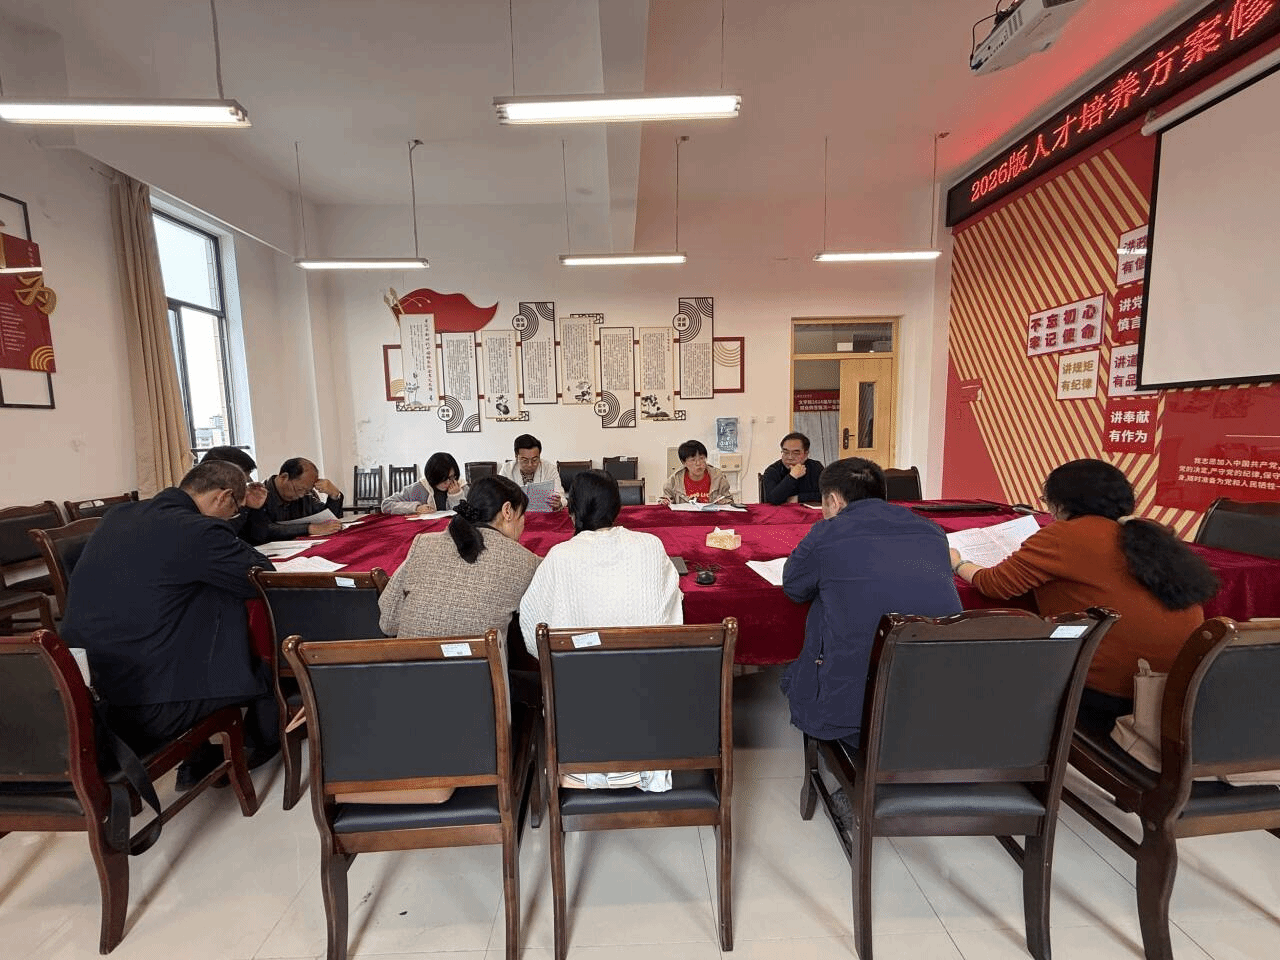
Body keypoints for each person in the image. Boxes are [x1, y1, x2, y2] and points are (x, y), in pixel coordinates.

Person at [952, 458, 1220, 735]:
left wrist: (958, 562)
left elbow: (995, 584)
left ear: (1061, 503)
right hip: (1178, 688)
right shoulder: (1151, 533)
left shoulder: (1065, 535)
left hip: (1111, 692)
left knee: (993, 664)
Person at [60, 461, 278, 784]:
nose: (232, 519)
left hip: (89, 693)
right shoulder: (196, 530)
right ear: (223, 497)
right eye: (235, 511)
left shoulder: (118, 516)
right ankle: (254, 746)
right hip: (147, 706)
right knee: (269, 669)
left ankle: (199, 758)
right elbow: (262, 576)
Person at [519, 470, 683, 792]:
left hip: (580, 704)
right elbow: (671, 617)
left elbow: (532, 627)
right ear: (618, 506)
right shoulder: (650, 546)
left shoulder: (560, 556)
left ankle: (587, 771)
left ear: (572, 508)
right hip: (645, 699)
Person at [781, 457, 962, 747]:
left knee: (823, 606)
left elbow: (794, 588)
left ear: (834, 501)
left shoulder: (827, 533)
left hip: (857, 706)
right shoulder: (932, 530)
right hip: (936, 695)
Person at [379, 475, 539, 643]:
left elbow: (388, 622)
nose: (523, 523)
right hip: (482, 660)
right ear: (507, 511)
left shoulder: (424, 543)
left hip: (408, 658)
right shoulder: (525, 561)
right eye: (522, 514)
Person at [259, 457, 344, 540]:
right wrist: (309, 529)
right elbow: (264, 530)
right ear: (284, 477)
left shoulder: (306, 494)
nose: (301, 495)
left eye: (307, 491)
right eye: (299, 489)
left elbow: (328, 520)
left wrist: (334, 495)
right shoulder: (259, 495)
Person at [200, 446, 267, 540]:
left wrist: (256, 508)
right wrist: (241, 505)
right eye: (241, 482)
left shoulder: (235, 502)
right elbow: (223, 538)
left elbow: (258, 538)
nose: (245, 487)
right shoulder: (193, 510)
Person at [380, 452, 469, 514]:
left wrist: (456, 496)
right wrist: (416, 508)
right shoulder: (419, 488)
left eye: (451, 477)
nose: (447, 482)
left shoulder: (462, 487)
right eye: (442, 479)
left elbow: (470, 515)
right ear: (432, 476)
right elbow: (386, 505)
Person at [499, 433, 565, 510]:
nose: (530, 464)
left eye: (535, 460)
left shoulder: (549, 469)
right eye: (525, 460)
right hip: (515, 513)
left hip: (542, 514)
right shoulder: (507, 469)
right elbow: (499, 497)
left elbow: (561, 496)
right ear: (516, 457)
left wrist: (559, 503)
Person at [659, 439, 732, 504]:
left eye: (701, 458)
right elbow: (664, 499)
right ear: (684, 462)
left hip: (712, 515)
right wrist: (665, 501)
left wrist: (723, 502)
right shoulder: (675, 480)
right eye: (693, 460)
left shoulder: (718, 477)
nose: (698, 463)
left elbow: (729, 500)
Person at [762, 432, 824, 504]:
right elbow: (772, 500)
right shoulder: (772, 470)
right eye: (786, 452)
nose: (790, 457)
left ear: (806, 454)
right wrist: (792, 476)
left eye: (796, 453)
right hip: (781, 511)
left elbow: (827, 495)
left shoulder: (815, 467)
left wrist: (799, 498)